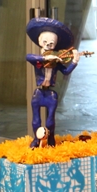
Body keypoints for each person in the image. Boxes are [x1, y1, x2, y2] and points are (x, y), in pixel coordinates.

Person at [25, 17, 80, 148]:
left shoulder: (56, 60)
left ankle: (50, 139)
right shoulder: (39, 59)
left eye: (51, 43)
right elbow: (29, 57)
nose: (48, 45)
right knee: (36, 118)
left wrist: (75, 61)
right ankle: (36, 139)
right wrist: (45, 58)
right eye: (45, 42)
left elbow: (66, 72)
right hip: (39, 92)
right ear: (39, 42)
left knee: (50, 119)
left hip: (50, 93)